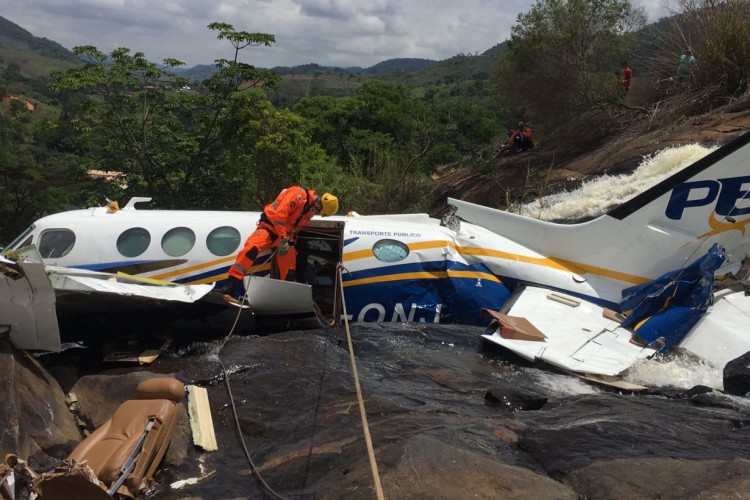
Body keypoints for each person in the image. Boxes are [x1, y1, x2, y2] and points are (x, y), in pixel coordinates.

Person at [220, 186, 339, 299]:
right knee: (251, 250)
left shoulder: (309, 211)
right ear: (319, 200)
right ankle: (230, 285)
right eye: (318, 207)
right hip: (269, 228)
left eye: (319, 210)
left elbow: (296, 227)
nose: (316, 211)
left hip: (285, 237)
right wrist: (283, 238)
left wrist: (288, 241)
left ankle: (284, 298)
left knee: (290, 270)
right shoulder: (298, 195)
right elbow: (280, 216)